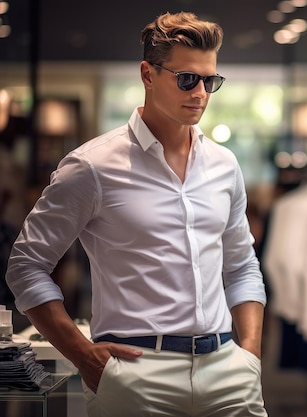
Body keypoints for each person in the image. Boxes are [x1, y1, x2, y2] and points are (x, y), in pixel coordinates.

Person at [5, 11, 268, 417]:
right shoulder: (92, 166)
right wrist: (82, 354)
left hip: (228, 371)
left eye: (209, 81)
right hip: (136, 372)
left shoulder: (224, 164)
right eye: (186, 79)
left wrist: (249, 355)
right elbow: (26, 266)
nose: (200, 92)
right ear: (148, 74)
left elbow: (241, 264)